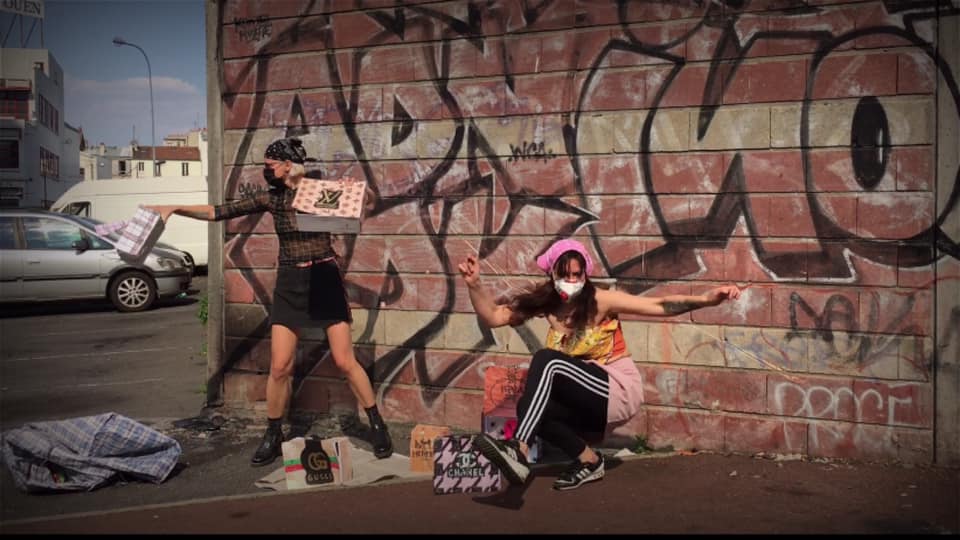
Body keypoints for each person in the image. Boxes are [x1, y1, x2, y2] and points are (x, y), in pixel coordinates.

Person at [147, 137, 392, 467]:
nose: (266, 170)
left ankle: (377, 426)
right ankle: (273, 434)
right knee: (279, 366)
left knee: (345, 360)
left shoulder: (319, 190)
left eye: (270, 165)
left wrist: (359, 191)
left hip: (324, 277)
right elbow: (219, 211)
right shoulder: (273, 198)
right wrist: (174, 209)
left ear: (287, 165)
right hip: (290, 281)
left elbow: (368, 206)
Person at [458, 239, 741, 491]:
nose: (571, 280)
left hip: (618, 389)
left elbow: (660, 305)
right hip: (589, 399)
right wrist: (474, 285)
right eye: (565, 274)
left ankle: (518, 450)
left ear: (585, 274)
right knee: (528, 407)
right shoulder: (547, 303)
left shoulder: (600, 300)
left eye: (577, 274)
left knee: (547, 360)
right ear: (552, 273)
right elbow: (494, 316)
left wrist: (707, 299)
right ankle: (589, 461)